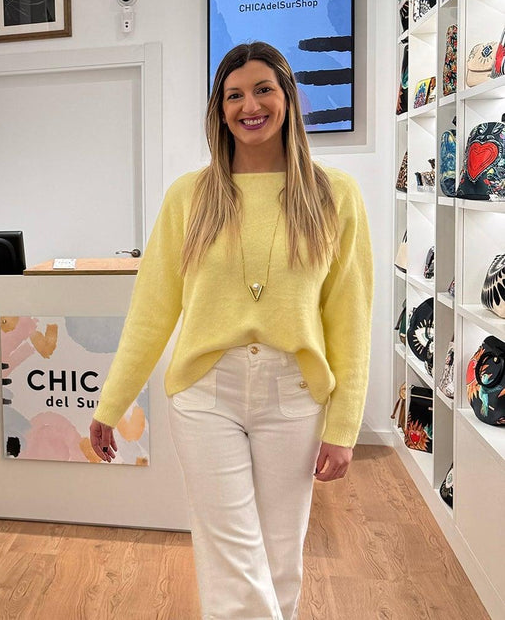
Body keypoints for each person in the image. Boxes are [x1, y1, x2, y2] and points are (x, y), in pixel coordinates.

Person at [89, 42, 372, 620]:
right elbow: (153, 309)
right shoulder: (189, 197)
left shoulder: (333, 195)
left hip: (294, 395)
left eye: (263, 89)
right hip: (204, 395)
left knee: (280, 558)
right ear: (219, 110)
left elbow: (350, 316)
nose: (250, 105)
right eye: (234, 95)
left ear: (288, 98)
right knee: (232, 561)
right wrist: (111, 403)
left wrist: (344, 427)